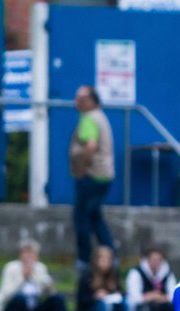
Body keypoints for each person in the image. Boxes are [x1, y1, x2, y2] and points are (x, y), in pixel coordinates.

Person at [69, 84, 115, 268]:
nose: (76, 103)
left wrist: (80, 168)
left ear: (91, 101)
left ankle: (85, 260)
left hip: (92, 175)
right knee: (95, 217)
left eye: (80, 99)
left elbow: (90, 146)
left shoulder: (89, 119)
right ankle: (111, 255)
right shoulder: (100, 117)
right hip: (104, 175)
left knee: (81, 218)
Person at [77, 245, 134, 311]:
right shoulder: (87, 276)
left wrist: (117, 295)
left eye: (108, 259)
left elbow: (122, 292)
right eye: (103, 259)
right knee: (103, 304)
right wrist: (95, 296)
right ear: (96, 260)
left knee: (128, 303)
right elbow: (81, 301)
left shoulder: (114, 275)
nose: (106, 262)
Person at [125, 245, 178, 311]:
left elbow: (174, 295)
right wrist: (153, 296)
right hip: (141, 308)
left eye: (159, 259)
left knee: (167, 307)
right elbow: (134, 297)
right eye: (153, 259)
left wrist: (160, 298)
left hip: (161, 304)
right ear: (147, 259)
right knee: (152, 307)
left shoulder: (167, 273)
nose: (156, 262)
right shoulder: (136, 272)